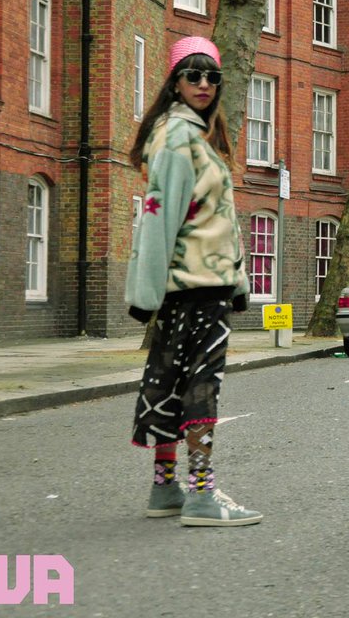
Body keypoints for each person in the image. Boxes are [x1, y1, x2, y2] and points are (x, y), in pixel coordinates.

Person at [125, 35, 261, 527]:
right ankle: (202, 493)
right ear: (175, 83)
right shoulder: (179, 138)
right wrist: (144, 294)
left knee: (170, 379)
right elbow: (157, 218)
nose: (204, 83)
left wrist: (238, 282)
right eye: (193, 75)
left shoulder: (190, 135)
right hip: (197, 285)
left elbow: (216, 219)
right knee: (202, 382)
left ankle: (165, 488)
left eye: (212, 76)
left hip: (198, 282)